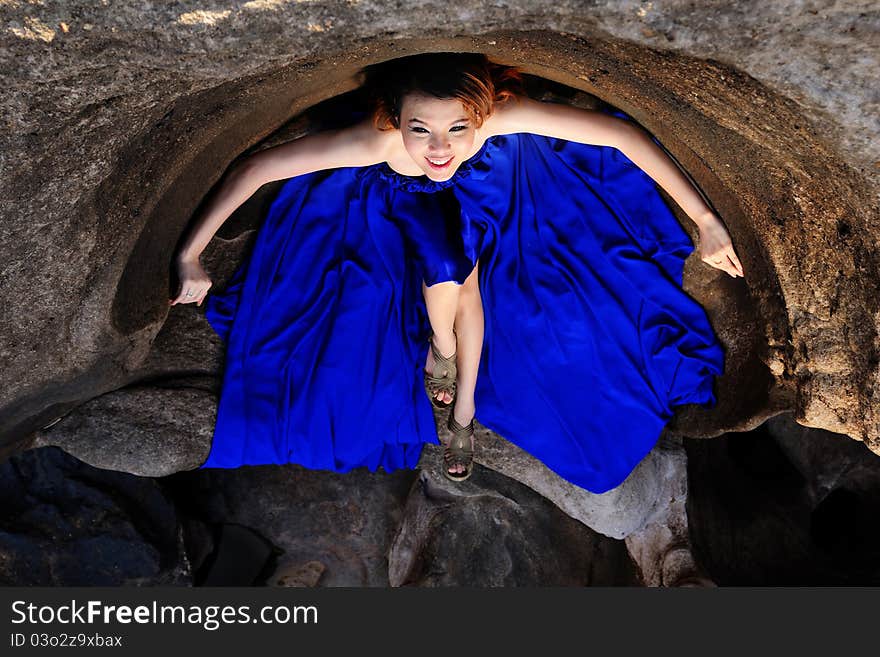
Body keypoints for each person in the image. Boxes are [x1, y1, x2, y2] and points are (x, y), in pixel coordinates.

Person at [170, 52, 742, 493]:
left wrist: (706, 220)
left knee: (488, 281)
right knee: (444, 267)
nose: (439, 148)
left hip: (497, 199)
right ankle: (443, 356)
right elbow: (256, 170)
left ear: (480, 116)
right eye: (421, 129)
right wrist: (189, 255)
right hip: (406, 208)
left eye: (456, 130)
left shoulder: (500, 119)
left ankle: (461, 408)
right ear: (399, 119)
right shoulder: (377, 142)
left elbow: (623, 136)